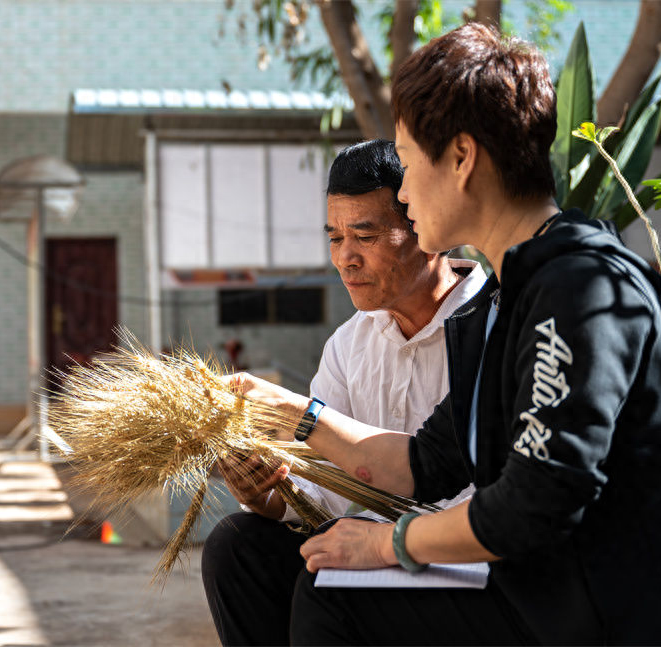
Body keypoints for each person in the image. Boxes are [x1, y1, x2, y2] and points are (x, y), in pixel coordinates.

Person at [224, 24, 661, 646]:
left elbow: (539, 499)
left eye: (411, 164)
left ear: (462, 158)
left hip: (622, 614)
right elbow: (423, 462)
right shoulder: (507, 301)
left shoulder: (581, 286)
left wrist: (390, 543)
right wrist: (292, 416)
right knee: (260, 560)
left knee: (336, 601)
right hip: (546, 593)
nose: (406, 191)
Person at [202, 139, 487, 646]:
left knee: (327, 588)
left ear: (429, 229)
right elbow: (325, 491)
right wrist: (266, 493)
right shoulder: (350, 344)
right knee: (236, 545)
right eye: (335, 237)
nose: (345, 258)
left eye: (366, 235)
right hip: (373, 551)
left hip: (469, 564)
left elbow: (491, 505)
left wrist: (301, 415)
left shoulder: (493, 329)